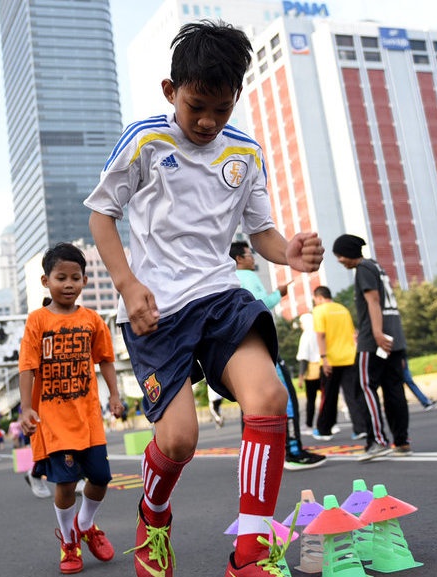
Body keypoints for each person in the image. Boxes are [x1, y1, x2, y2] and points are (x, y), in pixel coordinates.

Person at [84, 19, 324, 577]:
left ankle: (251, 552)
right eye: (197, 107)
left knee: (268, 397)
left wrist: (289, 251)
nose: (209, 120)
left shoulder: (244, 152)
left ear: (237, 97)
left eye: (221, 107)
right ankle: (153, 514)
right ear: (171, 92)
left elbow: (261, 234)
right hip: (155, 311)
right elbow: (101, 216)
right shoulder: (145, 139)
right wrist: (127, 285)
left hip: (219, 295)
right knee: (179, 441)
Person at [18, 243, 125, 574]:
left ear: (85, 281)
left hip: (89, 417)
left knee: (101, 478)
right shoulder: (37, 320)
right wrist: (25, 408)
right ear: (45, 281)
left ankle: (85, 524)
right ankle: (69, 542)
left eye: (75, 278)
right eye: (60, 277)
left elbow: (106, 359)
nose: (68, 284)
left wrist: (115, 396)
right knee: (65, 484)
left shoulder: (92, 319)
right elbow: (27, 367)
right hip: (54, 420)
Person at [231, 241, 325, 471]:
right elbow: (260, 304)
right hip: (261, 344)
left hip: (243, 346)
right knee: (287, 396)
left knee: (251, 402)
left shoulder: (229, 279)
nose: (252, 258)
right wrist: (279, 293)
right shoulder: (245, 277)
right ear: (239, 259)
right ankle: (292, 451)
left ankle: (254, 459)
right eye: (248, 254)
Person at [332, 234, 412, 460]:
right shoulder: (377, 266)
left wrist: (376, 333)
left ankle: (377, 441)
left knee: (365, 387)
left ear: (347, 253)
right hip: (394, 338)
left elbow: (373, 300)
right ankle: (402, 441)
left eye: (339, 255)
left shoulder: (363, 269)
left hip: (373, 339)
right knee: (393, 389)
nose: (339, 260)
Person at [310, 286, 362, 443]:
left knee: (329, 397)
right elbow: (354, 335)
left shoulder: (319, 311)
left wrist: (324, 358)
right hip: (349, 357)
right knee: (353, 395)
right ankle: (361, 429)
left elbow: (321, 336)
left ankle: (324, 430)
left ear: (319, 298)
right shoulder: (343, 309)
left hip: (331, 360)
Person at [294, 312, 321, 434]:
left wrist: (300, 377)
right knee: (326, 398)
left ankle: (309, 425)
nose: (301, 326)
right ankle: (329, 424)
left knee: (311, 400)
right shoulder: (318, 331)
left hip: (312, 371)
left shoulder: (306, 335)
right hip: (323, 368)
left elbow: (304, 358)